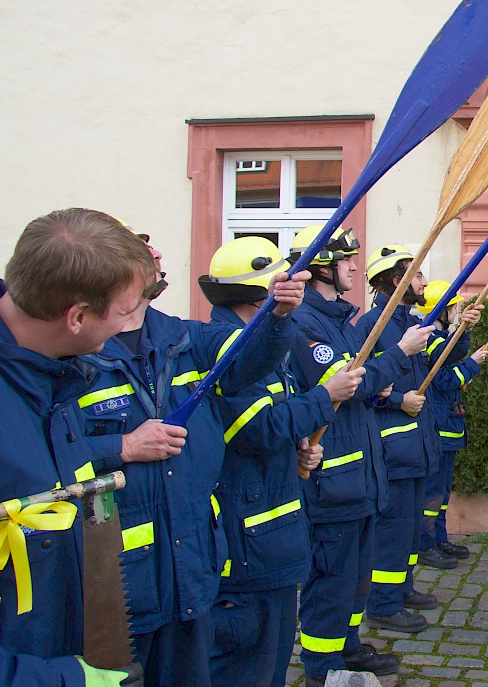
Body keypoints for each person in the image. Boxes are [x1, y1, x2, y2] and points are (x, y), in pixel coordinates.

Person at [76, 222, 305, 687]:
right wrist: (121, 447)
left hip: (190, 567)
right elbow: (44, 454)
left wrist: (277, 316)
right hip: (119, 578)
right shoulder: (77, 356)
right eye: (141, 246)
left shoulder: (184, 339)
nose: (157, 250)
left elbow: (246, 359)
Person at [0, 208, 154, 686]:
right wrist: (64, 681)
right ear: (77, 316)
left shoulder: (53, 378)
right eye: (123, 313)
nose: (126, 327)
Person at [199, 236, 361, 687]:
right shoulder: (225, 349)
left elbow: (272, 430)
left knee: (270, 656)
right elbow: (256, 429)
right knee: (245, 662)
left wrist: (298, 450)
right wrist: (324, 399)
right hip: (247, 539)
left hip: (273, 533)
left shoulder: (259, 344)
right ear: (260, 293)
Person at [286, 227, 429, 681]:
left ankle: (345, 648)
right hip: (333, 478)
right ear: (321, 268)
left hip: (360, 473)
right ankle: (321, 667)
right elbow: (346, 385)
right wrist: (398, 357)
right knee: (330, 580)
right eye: (345, 260)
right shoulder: (306, 324)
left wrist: (374, 382)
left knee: (354, 577)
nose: (354, 267)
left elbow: (363, 384)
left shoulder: (339, 321)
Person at [353, 246, 480, 634]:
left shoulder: (412, 319)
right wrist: (396, 399)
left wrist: (463, 328)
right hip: (391, 445)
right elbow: (357, 382)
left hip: (418, 442)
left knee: (409, 527)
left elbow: (442, 360)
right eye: (418, 276)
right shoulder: (370, 326)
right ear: (398, 281)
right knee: (391, 528)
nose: (424, 282)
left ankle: (402, 589)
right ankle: (383, 604)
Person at [417, 280, 487, 561]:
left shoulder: (442, 337)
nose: (458, 310)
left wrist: (464, 335)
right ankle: (425, 544)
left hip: (450, 424)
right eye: (454, 306)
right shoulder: (430, 340)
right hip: (438, 425)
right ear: (443, 310)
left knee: (443, 492)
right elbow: (444, 379)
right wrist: (473, 365)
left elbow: (453, 357)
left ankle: (440, 538)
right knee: (432, 493)